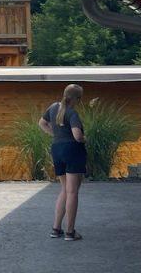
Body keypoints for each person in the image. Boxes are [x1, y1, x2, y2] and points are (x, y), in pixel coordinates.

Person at [38, 83, 86, 241]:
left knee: (64, 190)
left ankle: (56, 229)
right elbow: (77, 135)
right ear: (77, 99)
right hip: (72, 151)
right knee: (72, 192)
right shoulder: (72, 113)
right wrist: (86, 139)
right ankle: (70, 232)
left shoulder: (53, 107)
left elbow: (42, 123)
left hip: (57, 150)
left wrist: (55, 135)